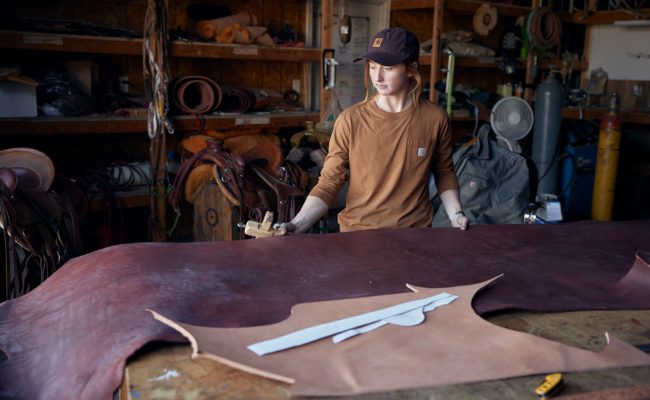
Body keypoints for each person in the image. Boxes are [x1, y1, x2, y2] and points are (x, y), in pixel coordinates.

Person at [280, 27, 469, 234]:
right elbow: (330, 183)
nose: (377, 77)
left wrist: (456, 215)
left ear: (411, 68)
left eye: (387, 68)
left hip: (414, 234)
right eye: (372, 66)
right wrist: (296, 225)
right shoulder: (350, 120)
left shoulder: (435, 118)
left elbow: (444, 172)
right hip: (359, 234)